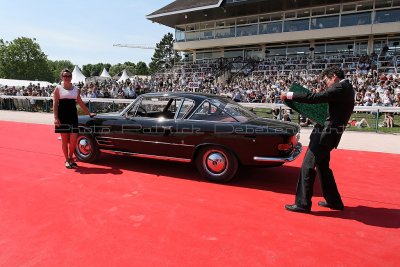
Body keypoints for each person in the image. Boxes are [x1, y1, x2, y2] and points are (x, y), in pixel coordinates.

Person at [280, 66, 355, 213]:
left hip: (325, 135)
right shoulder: (347, 88)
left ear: (334, 76)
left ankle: (303, 204)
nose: (326, 84)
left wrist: (290, 95)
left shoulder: (339, 88)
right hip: (329, 134)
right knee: (322, 168)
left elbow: (315, 98)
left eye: (326, 80)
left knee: (307, 166)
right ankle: (334, 202)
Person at [53, 69, 96, 169]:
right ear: (62, 77)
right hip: (62, 116)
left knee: (73, 140)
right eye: (65, 76)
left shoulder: (76, 89)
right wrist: (55, 117)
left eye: (68, 76)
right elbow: (55, 104)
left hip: (73, 116)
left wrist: (89, 113)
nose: (67, 78)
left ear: (71, 77)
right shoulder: (58, 88)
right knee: (64, 140)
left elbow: (80, 102)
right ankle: (67, 160)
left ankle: (70, 157)